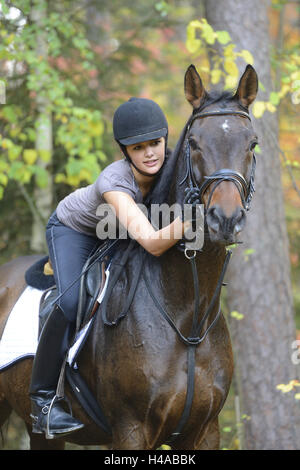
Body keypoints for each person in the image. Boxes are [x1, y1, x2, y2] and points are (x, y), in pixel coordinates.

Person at [29, 97, 190, 439]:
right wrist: (197, 219)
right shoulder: (113, 182)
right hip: (76, 230)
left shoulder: (175, 165)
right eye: (139, 147)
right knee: (71, 301)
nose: (150, 153)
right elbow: (153, 242)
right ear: (125, 151)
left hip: (120, 231)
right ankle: (42, 402)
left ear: (165, 139)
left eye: (156, 144)